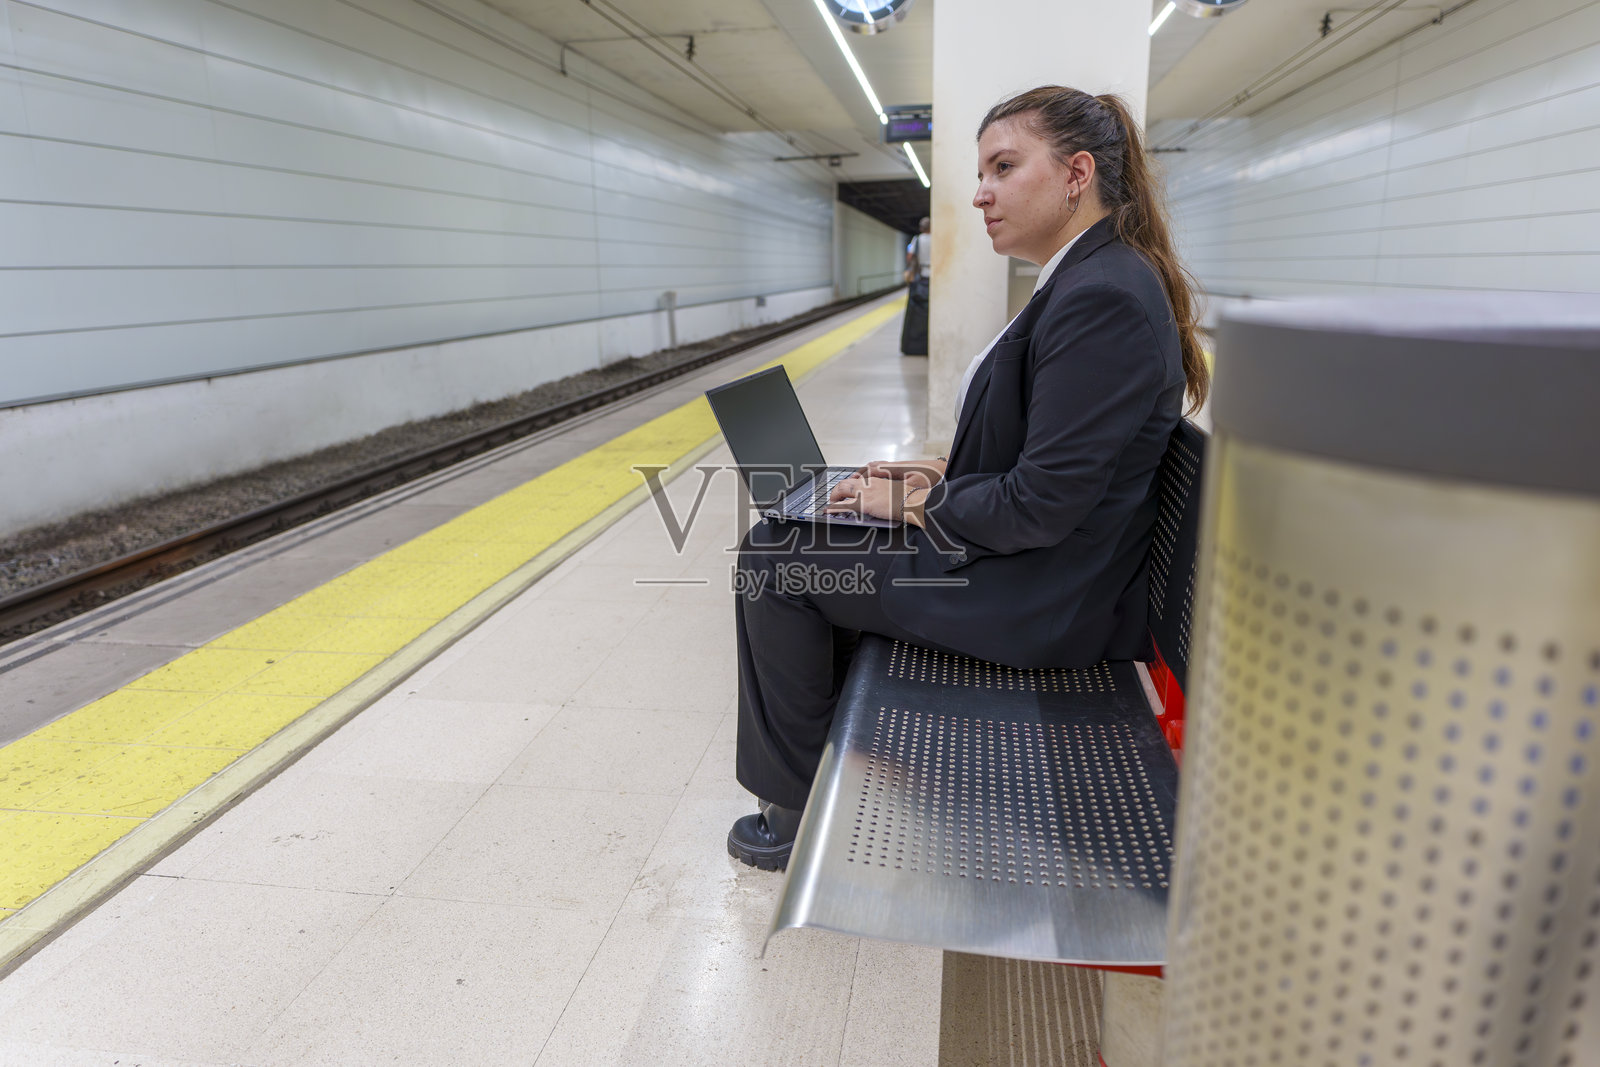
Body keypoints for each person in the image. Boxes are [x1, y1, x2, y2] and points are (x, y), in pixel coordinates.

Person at [726, 86, 1211, 869]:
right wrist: (928, 472)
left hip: (1042, 597)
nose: (979, 193)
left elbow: (1043, 503)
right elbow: (1043, 453)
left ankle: (792, 808)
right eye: (981, 170)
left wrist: (915, 501)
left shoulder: (1104, 299)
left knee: (774, 561)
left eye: (1004, 166)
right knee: (804, 529)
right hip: (1040, 570)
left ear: (1076, 173)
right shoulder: (1086, 278)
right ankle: (837, 758)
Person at [899, 217, 932, 356]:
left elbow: (910, 256)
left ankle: (914, 344)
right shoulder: (937, 238)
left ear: (921, 228)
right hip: (936, 277)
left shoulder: (917, 240)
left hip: (921, 277)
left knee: (917, 312)